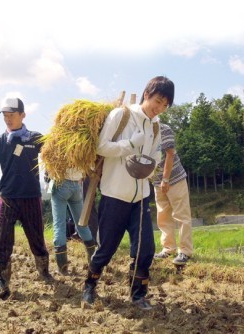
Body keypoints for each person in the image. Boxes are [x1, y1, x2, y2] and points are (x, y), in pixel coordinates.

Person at [82, 76, 175, 309]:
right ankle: (89, 285)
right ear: (147, 95)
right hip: (115, 194)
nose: (159, 108)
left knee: (145, 249)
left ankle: (138, 295)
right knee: (107, 248)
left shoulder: (155, 125)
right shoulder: (121, 116)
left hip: (141, 195)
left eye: (165, 105)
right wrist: (130, 146)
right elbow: (101, 147)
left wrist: (149, 164)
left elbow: (155, 155)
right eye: (158, 101)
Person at [0, 97, 52, 300]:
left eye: (11, 115)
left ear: (23, 115)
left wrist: (49, 171)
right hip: (8, 198)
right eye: (5, 115)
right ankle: (1, 281)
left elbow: (50, 154)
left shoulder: (35, 138)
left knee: (36, 237)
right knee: (2, 240)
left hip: (31, 196)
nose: (8, 119)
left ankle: (44, 271)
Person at [152, 123, 193, 265]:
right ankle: (168, 248)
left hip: (175, 178)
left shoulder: (163, 129)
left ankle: (185, 251)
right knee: (162, 215)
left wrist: (166, 179)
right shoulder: (141, 130)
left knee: (182, 215)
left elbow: (170, 153)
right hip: (157, 181)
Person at [49, 168, 96, 274]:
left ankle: (63, 269)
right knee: (82, 224)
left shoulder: (58, 150)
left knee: (59, 225)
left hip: (60, 183)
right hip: (76, 185)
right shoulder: (81, 151)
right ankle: (93, 262)